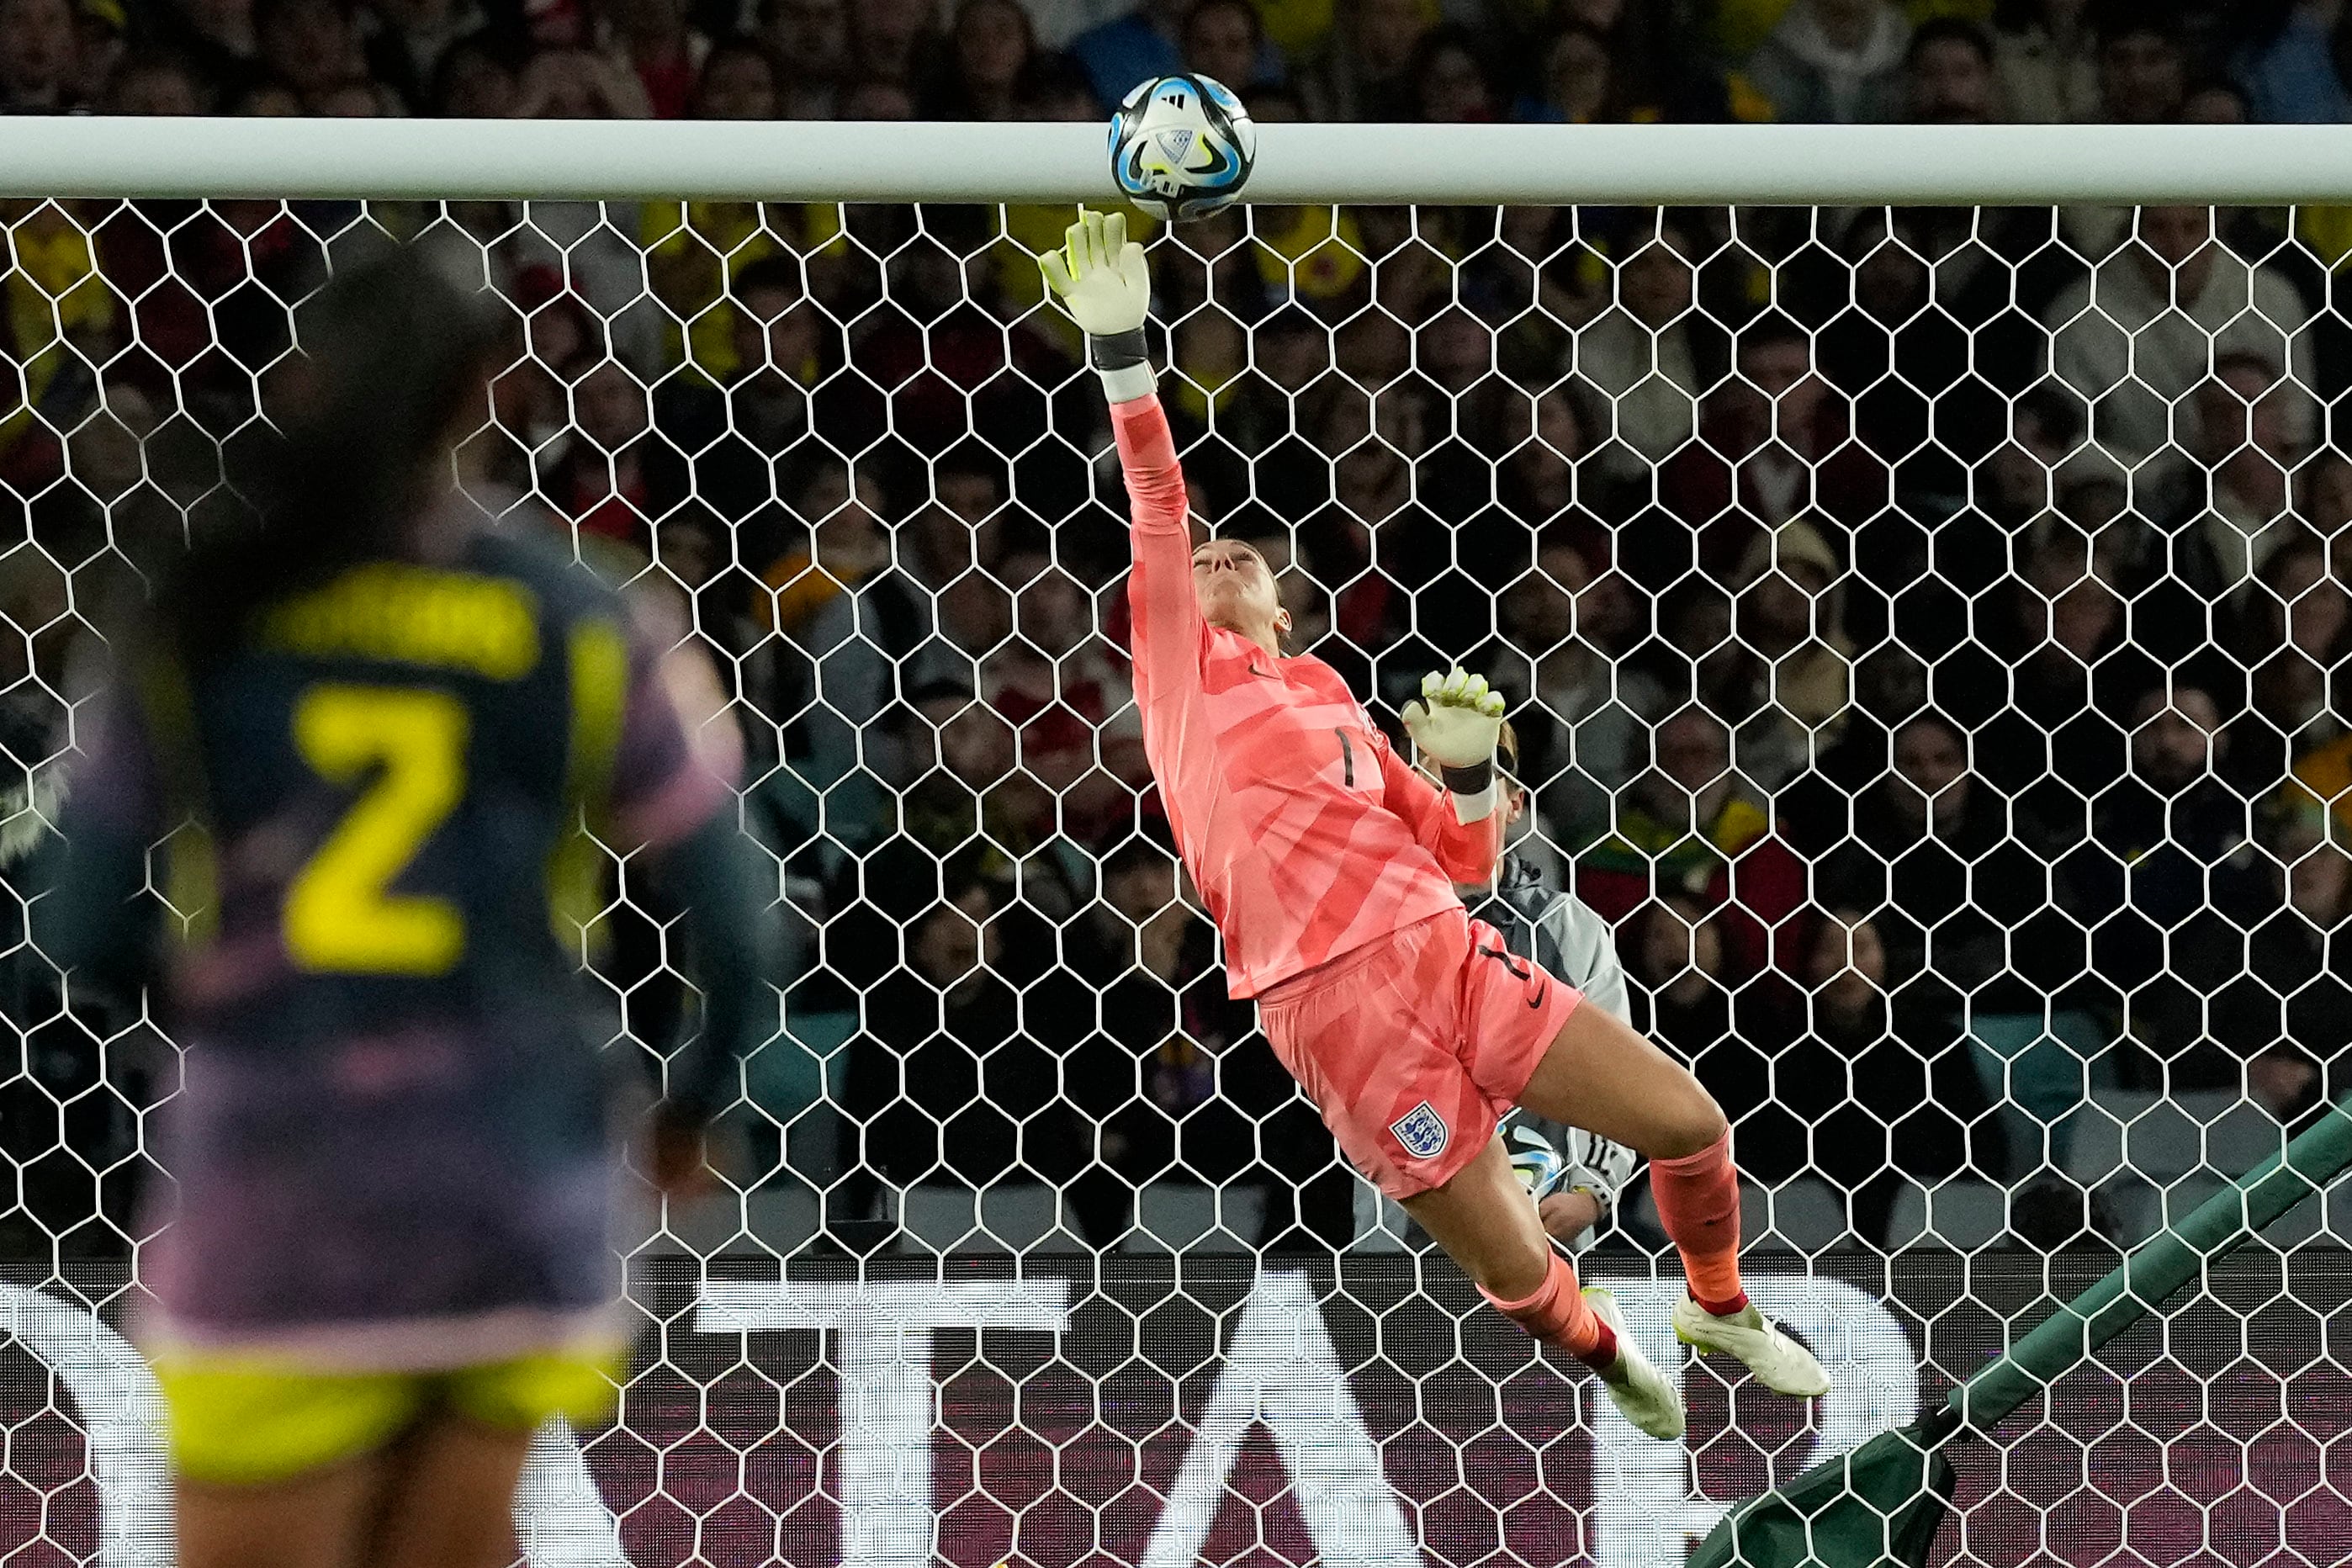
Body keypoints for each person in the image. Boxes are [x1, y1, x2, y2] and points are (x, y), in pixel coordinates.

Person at [38, 249, 779, 1568]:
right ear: (483, 396)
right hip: (512, 1179)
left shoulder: (206, 602)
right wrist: (684, 1114)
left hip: (284, 1181)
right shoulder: (587, 612)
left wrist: (220, 1003)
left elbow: (76, 926)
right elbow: (741, 926)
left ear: (301, 381)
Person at [1041, 209, 1830, 1442]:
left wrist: (1464, 776)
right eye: (1201, 556)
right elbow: (1154, 493)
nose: (1216, 554)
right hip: (1329, 1007)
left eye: (1241, 556)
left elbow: (1465, 862)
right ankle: (1608, 1351)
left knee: (1689, 1123)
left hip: (1446, 953)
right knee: (1515, 1270)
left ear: (1289, 612)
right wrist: (1125, 354)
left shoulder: (1332, 697)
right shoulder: (1179, 683)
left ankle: (1720, 1304)